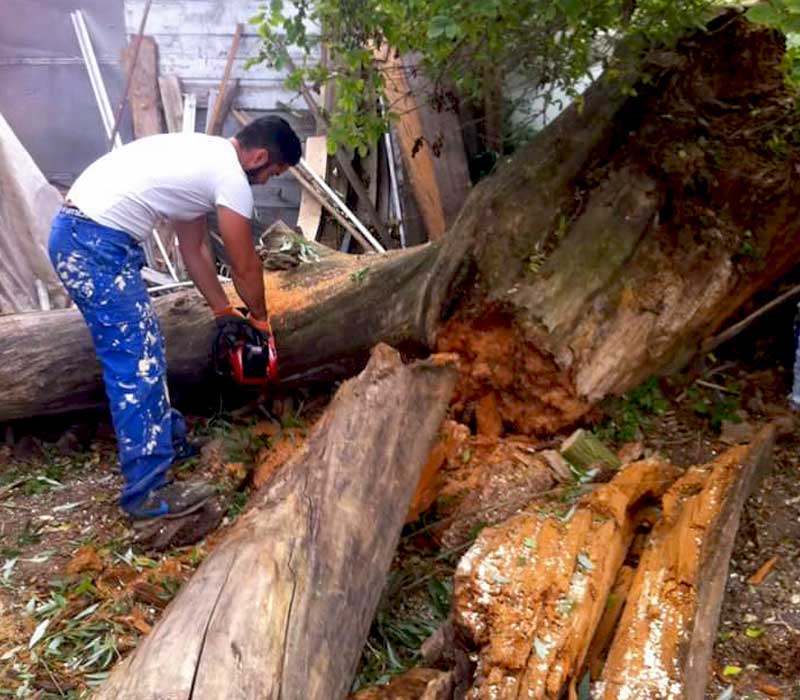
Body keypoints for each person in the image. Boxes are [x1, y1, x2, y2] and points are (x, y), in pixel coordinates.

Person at [48, 116, 302, 523]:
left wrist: (223, 311)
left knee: (145, 349)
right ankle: (146, 492)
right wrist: (259, 320)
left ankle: (167, 438)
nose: (268, 181)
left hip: (87, 236)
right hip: (93, 242)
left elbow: (194, 249)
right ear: (259, 156)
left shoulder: (203, 163)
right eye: (273, 172)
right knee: (136, 361)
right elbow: (245, 265)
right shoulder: (230, 176)